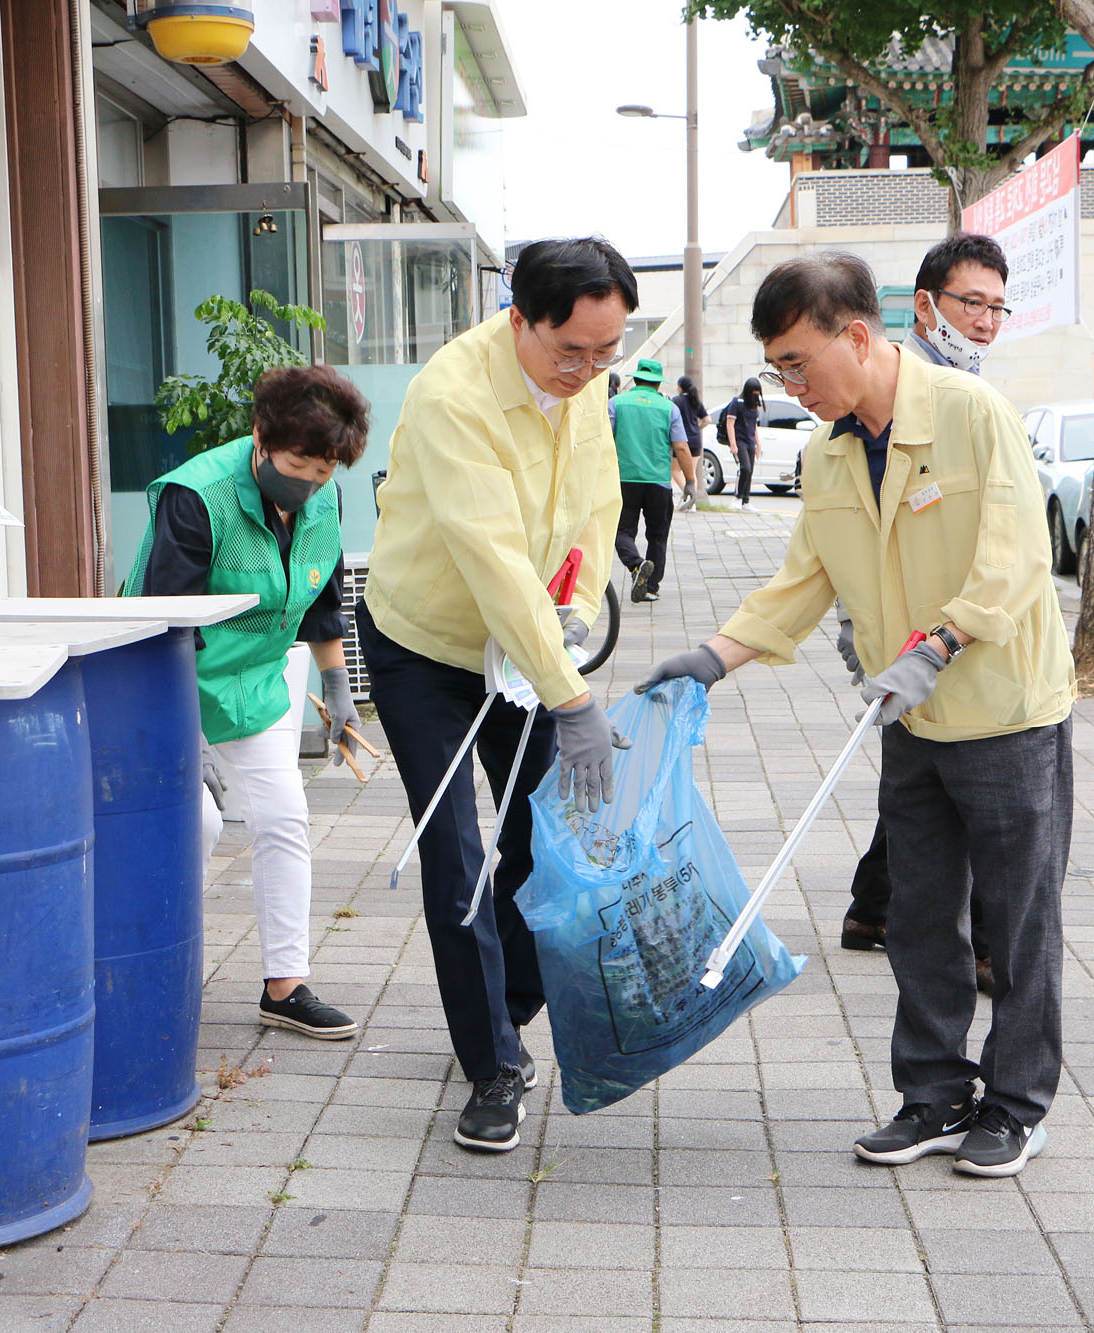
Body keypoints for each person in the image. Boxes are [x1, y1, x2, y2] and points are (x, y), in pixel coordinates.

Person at [639, 250, 1073, 1179]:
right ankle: (934, 1093)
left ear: (860, 335)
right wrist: (713, 658)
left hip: (1004, 711)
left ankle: (1017, 1104)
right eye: (777, 368)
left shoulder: (969, 413)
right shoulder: (831, 450)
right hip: (907, 718)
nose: (791, 385)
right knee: (918, 915)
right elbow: (804, 580)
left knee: (1018, 915)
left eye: (799, 362)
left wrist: (942, 643)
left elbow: (1014, 558)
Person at [358, 236, 635, 1153]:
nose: (588, 372)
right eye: (570, 353)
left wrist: (580, 611)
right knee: (456, 852)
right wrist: (573, 697)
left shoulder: (585, 382)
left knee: (532, 833)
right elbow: (491, 559)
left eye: (607, 354)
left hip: (528, 644)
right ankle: (493, 1064)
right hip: (426, 642)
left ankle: (509, 1001)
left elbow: (598, 505)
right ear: (518, 318)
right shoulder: (453, 394)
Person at [123, 363, 372, 1042]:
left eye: (323, 473)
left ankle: (284, 986)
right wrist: (184, 737)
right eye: (297, 464)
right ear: (260, 436)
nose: (308, 483)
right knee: (193, 826)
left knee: (283, 817)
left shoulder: (321, 497)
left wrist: (337, 689)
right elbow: (165, 624)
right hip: (165, 681)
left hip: (254, 683)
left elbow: (322, 591)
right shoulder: (198, 497)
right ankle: (152, 974)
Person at [839, 233, 1012, 996]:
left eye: (999, 307)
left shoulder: (973, 400)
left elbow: (1015, 552)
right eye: (971, 302)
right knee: (950, 802)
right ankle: (960, 944)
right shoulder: (901, 394)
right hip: (914, 644)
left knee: (931, 797)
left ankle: (875, 908)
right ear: (924, 305)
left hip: (958, 643)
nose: (985, 321)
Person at [609, 357, 688, 603]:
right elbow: (681, 448)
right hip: (658, 482)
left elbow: (603, 440)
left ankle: (636, 564)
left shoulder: (616, 403)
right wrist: (691, 481)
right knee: (658, 535)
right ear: (657, 383)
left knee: (621, 532)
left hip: (624, 480)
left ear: (636, 379)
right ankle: (651, 586)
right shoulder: (669, 408)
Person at [719, 377, 763, 509]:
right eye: (753, 391)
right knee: (745, 468)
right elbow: (730, 423)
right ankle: (737, 498)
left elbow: (754, 426)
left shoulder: (754, 404)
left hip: (750, 441)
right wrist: (733, 444)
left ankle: (746, 501)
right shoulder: (737, 402)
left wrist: (758, 444)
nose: (755, 394)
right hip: (739, 441)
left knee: (750, 471)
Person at [672, 373, 709, 510]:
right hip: (695, 440)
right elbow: (707, 420)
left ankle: (689, 496)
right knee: (691, 472)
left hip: (681, 440)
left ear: (680, 387)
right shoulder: (696, 401)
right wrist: (698, 428)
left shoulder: (676, 400)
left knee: (675, 470)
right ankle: (691, 501)